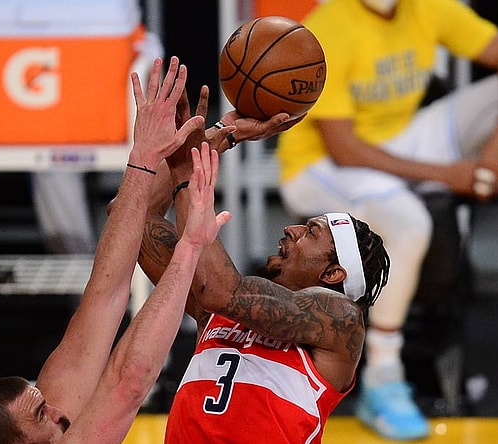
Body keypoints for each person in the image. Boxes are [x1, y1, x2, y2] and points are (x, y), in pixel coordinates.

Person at [0, 55, 242, 443]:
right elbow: (129, 382)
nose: (57, 410)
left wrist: (149, 155)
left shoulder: (54, 417)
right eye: (41, 414)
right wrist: (189, 247)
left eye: (42, 400)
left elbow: (105, 292)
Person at [274, 0, 498, 439]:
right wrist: (450, 175)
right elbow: (344, 149)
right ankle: (382, 376)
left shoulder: (427, 7)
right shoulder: (328, 28)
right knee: (410, 223)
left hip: (399, 142)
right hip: (322, 167)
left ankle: (486, 175)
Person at [133, 84, 390, 443]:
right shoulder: (218, 311)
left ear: (333, 273)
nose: (291, 228)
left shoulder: (339, 320)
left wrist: (191, 173)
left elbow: (218, 288)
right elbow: (131, 217)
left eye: (311, 232)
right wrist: (218, 137)